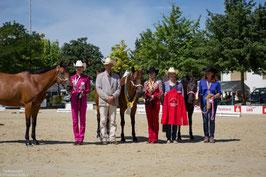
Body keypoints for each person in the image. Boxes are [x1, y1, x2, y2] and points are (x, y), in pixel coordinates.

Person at [96, 57, 121, 145]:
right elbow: (98, 89)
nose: (108, 66)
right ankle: (103, 138)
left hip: (113, 101)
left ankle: (113, 137)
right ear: (105, 66)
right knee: (103, 120)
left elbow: (118, 89)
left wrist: (113, 97)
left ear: (111, 66)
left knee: (113, 121)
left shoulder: (117, 76)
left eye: (109, 65)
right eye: (106, 65)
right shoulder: (99, 76)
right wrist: (107, 98)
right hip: (103, 101)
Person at [162, 67, 185, 144]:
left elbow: (182, 96)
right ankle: (168, 138)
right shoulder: (165, 84)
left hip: (176, 106)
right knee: (168, 121)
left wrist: (179, 94)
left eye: (173, 74)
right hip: (168, 107)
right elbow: (162, 95)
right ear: (168, 75)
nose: (171, 75)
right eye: (170, 74)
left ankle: (174, 138)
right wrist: (164, 94)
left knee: (175, 121)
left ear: (175, 74)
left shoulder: (179, 85)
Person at [198, 66, 221, 143]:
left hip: (213, 103)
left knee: (212, 119)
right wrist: (198, 101)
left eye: (209, 72)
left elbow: (219, 93)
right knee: (205, 120)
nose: (208, 74)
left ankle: (211, 136)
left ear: (212, 73)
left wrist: (215, 96)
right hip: (204, 103)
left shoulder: (217, 83)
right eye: (207, 72)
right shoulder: (202, 82)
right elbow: (200, 93)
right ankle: (206, 136)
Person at [70, 60, 90, 145]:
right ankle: (76, 137)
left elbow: (88, 89)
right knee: (75, 120)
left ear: (82, 68)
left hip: (82, 99)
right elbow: (70, 89)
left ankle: (81, 138)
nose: (78, 69)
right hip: (74, 99)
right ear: (75, 68)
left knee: (82, 120)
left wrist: (83, 92)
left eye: (80, 67)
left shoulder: (86, 78)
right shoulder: (72, 78)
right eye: (77, 67)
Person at [143, 66, 163, 143]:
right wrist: (145, 95)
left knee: (155, 120)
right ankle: (150, 137)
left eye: (153, 73)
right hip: (148, 103)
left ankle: (155, 137)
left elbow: (161, 92)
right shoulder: (145, 83)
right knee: (149, 120)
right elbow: (144, 91)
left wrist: (154, 96)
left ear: (155, 74)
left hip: (155, 103)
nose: (151, 74)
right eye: (150, 73)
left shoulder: (159, 82)